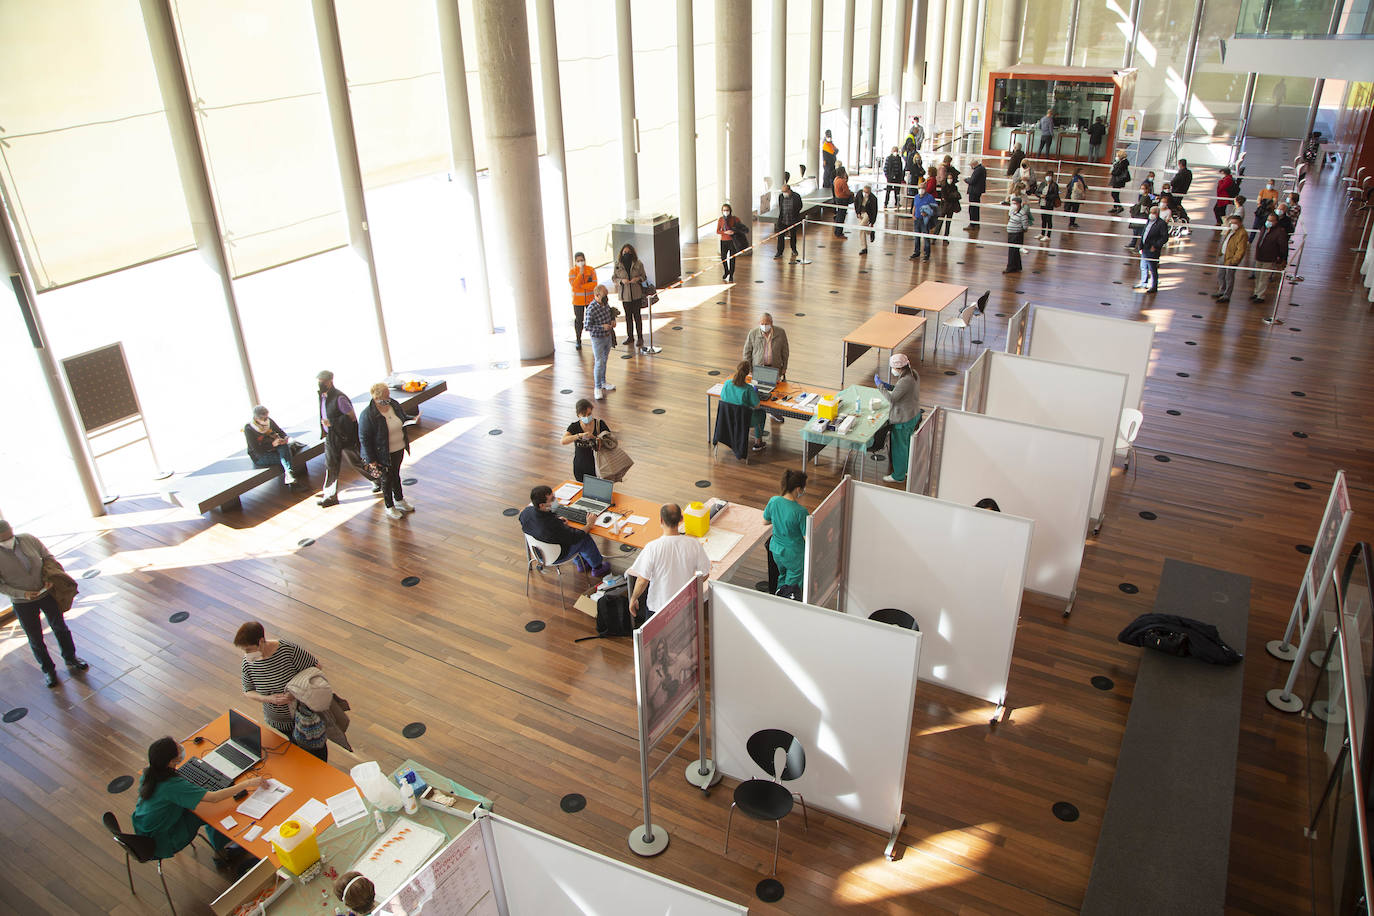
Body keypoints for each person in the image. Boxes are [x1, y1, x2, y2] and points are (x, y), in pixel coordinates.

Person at [132, 737, 264, 866]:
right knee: (213, 811)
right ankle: (220, 852)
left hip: (146, 830)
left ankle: (220, 847)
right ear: (171, 762)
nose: (181, 748)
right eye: (178, 748)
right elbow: (214, 797)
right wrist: (248, 783)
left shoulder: (149, 772)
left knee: (203, 806)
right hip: (164, 839)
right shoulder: (172, 786)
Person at [0, 520, 87, 688]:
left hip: (47, 593)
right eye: (3, 540)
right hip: (23, 602)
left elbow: (48, 557)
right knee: (35, 638)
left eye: (10, 536)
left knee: (60, 627)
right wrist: (23, 594)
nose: (8, 541)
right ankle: (48, 670)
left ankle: (71, 658)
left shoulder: (28, 539)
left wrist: (48, 578)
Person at [235, 621, 321, 740]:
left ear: (260, 642)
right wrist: (268, 699)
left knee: (316, 749)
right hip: (278, 721)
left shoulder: (288, 651)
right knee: (296, 748)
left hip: (306, 717)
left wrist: (294, 694)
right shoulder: (248, 664)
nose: (246, 654)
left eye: (248, 650)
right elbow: (248, 691)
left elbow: (316, 669)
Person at [626, 504, 711, 619]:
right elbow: (705, 574)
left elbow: (642, 580)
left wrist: (633, 598)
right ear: (681, 519)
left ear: (661, 520)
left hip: (658, 607)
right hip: (684, 604)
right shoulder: (694, 544)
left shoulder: (652, 547)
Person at [519, 485, 611, 577]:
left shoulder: (526, 513)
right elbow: (576, 537)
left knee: (572, 533)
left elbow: (537, 522)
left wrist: (558, 520)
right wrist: (589, 525)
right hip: (556, 555)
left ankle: (581, 563)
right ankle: (598, 568)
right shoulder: (552, 525)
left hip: (539, 553)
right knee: (584, 537)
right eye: (552, 499)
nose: (555, 500)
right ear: (542, 505)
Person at [359, 382, 414, 520]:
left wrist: (412, 419)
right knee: (386, 480)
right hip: (382, 453)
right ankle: (390, 506)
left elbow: (402, 416)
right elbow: (364, 438)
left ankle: (400, 500)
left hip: (398, 448)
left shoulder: (393, 405)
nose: (389, 397)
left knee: (396, 475)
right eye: (386, 395)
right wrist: (371, 459)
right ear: (377, 397)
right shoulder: (368, 415)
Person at [316, 370, 370, 508]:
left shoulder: (339, 398)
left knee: (357, 461)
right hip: (331, 437)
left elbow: (351, 416)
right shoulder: (322, 397)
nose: (320, 384)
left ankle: (378, 480)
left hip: (344, 436)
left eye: (322, 381)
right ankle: (330, 495)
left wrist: (332, 422)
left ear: (330, 382)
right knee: (331, 466)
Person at [869, 354, 922, 483]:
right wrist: (889, 387)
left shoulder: (905, 380)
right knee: (907, 446)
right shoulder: (913, 373)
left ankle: (898, 475)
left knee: (899, 448)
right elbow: (902, 391)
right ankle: (907, 469)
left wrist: (880, 386)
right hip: (912, 415)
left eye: (893, 368)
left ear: (898, 368)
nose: (892, 370)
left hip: (903, 420)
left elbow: (892, 399)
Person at [763, 470, 809, 600]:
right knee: (792, 589)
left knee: (782, 578)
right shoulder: (800, 512)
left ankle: (778, 597)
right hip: (794, 557)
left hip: (777, 551)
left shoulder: (774, 501)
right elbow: (807, 538)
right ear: (798, 489)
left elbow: (765, 521)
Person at [243, 405, 298, 487]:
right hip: (260, 456)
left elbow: (280, 432)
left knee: (285, 448)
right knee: (287, 456)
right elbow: (257, 450)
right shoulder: (249, 429)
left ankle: (289, 475)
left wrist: (285, 438)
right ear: (256, 418)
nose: (266, 420)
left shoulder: (269, 421)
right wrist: (272, 444)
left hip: (274, 448)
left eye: (267, 417)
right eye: (264, 419)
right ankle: (289, 475)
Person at [720, 359, 767, 452]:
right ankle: (758, 442)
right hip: (744, 420)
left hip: (729, 418)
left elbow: (723, 397)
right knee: (762, 413)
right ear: (748, 373)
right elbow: (757, 406)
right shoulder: (748, 389)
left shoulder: (727, 383)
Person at [562, 398, 609, 481]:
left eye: (589, 414)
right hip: (580, 466)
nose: (587, 417)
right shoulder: (574, 427)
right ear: (578, 416)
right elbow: (563, 441)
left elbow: (610, 442)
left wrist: (594, 438)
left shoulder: (600, 424)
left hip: (599, 466)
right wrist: (579, 435)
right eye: (584, 415)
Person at [612, 243, 648, 351]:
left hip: (636, 294)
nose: (626, 254)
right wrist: (621, 281)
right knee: (628, 317)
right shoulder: (618, 264)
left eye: (628, 252)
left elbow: (644, 277)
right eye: (624, 252)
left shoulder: (638, 263)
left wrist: (637, 279)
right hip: (625, 295)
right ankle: (630, 337)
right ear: (621, 253)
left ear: (632, 252)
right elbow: (614, 278)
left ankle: (640, 337)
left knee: (637, 316)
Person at [585, 284, 616, 400]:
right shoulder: (591, 308)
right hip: (598, 339)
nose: (606, 298)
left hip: (607, 337)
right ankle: (597, 387)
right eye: (604, 296)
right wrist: (602, 327)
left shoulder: (605, 304)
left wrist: (612, 321)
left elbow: (610, 314)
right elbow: (587, 326)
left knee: (604, 360)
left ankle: (603, 382)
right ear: (597, 295)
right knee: (599, 362)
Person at [1250, 215, 1289, 302]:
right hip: (1259, 256)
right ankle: (1256, 292)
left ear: (1276, 222)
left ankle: (1260, 295)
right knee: (1257, 275)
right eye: (1268, 220)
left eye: (1271, 221)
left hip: (1269, 258)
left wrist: (1282, 258)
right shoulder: (1264, 228)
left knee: (1264, 277)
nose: (1269, 222)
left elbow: (1283, 246)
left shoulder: (1280, 232)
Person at [1213, 214, 1250, 303]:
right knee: (1220, 275)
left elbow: (1241, 250)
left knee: (1229, 277)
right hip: (1224, 256)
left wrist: (1234, 261)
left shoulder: (1242, 233)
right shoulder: (1231, 230)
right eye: (1231, 223)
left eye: (1235, 223)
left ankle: (1227, 295)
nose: (1233, 224)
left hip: (1231, 259)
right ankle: (1221, 290)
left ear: (1240, 223)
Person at [743, 312, 789, 381]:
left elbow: (785, 352)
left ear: (771, 323)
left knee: (775, 390)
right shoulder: (753, 333)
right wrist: (749, 369)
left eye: (766, 324)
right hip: (758, 369)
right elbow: (747, 353)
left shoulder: (781, 333)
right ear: (759, 323)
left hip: (775, 369)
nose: (764, 326)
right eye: (762, 324)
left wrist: (784, 368)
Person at [568, 251, 597, 350]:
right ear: (575, 261)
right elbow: (574, 285)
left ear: (585, 260)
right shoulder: (572, 272)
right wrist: (580, 274)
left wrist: (582, 286)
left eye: (582, 260)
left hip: (590, 300)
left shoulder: (591, 270)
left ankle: (594, 339)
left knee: (592, 320)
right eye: (578, 260)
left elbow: (594, 284)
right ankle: (578, 340)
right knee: (579, 321)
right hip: (578, 301)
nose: (580, 262)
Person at [1135, 205, 1167, 293]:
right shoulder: (1149, 221)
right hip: (1145, 248)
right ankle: (1143, 283)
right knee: (1143, 266)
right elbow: (1144, 233)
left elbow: (1164, 238)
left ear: (1157, 214)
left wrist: (1155, 246)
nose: (1151, 214)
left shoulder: (1161, 224)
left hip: (1153, 250)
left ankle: (1154, 286)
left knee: (1152, 268)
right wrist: (1140, 245)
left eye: (1154, 213)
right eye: (1151, 212)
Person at [909, 183, 938, 260]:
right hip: (917, 219)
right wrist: (913, 214)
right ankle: (916, 252)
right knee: (916, 237)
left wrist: (927, 213)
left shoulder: (930, 197)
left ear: (925, 188)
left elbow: (934, 208)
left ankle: (927, 254)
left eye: (922, 188)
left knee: (926, 237)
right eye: (919, 188)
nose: (921, 189)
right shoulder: (916, 197)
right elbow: (914, 206)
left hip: (925, 220)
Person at [774, 183, 803, 260]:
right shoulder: (781, 197)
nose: (784, 193)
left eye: (785, 191)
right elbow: (781, 208)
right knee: (780, 236)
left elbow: (800, 206)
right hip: (783, 220)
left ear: (789, 190)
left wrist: (794, 213)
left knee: (793, 235)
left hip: (793, 219)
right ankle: (779, 252)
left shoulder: (796, 197)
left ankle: (794, 249)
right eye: (782, 191)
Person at [717, 203, 743, 281]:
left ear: (730, 211)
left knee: (732, 258)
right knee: (723, 257)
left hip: (732, 241)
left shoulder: (735, 219)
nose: (725, 211)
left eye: (727, 210)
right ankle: (726, 271)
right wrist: (725, 232)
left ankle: (731, 274)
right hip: (723, 241)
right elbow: (718, 231)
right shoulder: (721, 219)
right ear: (722, 211)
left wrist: (734, 232)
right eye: (724, 210)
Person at [1004, 196, 1030, 273]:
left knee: (1012, 251)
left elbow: (1025, 225)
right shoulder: (1013, 211)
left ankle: (1010, 267)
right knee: (1014, 251)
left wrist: (1021, 230)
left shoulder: (1022, 213)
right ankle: (1017, 266)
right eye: (1012, 203)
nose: (1013, 205)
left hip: (1016, 234)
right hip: (1011, 233)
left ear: (1019, 204)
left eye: (1015, 203)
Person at [853, 184, 878, 254]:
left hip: (868, 214)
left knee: (861, 228)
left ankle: (864, 247)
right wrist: (857, 213)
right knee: (863, 229)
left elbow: (874, 211)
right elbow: (856, 203)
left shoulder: (873, 199)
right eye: (864, 191)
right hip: (861, 213)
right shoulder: (859, 193)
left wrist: (872, 222)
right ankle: (870, 233)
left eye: (867, 192)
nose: (865, 193)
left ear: (870, 192)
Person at [1035, 171, 1060, 242]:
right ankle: (1042, 234)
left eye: (1050, 176)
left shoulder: (1054, 185)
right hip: (1042, 204)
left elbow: (1055, 195)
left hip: (1049, 205)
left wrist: (1046, 197)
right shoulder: (1042, 184)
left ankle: (1048, 235)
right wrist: (1040, 196)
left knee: (1049, 219)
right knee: (1043, 219)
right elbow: (1037, 192)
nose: (1048, 177)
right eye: (1047, 175)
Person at [1169, 158, 1193, 229]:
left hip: (1177, 192)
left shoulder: (1180, 173)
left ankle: (1184, 217)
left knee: (1176, 205)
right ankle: (1184, 217)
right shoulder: (1189, 173)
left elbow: (1173, 182)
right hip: (1183, 191)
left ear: (1180, 164)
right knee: (1178, 204)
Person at [937, 175, 962, 242]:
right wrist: (952, 196)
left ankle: (945, 238)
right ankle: (934, 237)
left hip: (950, 207)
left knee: (948, 223)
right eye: (948, 178)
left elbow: (956, 196)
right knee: (939, 223)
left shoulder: (955, 187)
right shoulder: (944, 187)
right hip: (944, 207)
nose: (950, 180)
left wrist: (950, 197)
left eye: (951, 178)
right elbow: (945, 197)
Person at [830, 167, 853, 237]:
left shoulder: (836, 179)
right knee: (841, 217)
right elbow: (847, 192)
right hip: (843, 200)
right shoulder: (842, 181)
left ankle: (837, 231)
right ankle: (839, 233)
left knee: (839, 215)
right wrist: (852, 193)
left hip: (838, 199)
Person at [963, 159, 986, 228]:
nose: (971, 167)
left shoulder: (977, 170)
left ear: (973, 165)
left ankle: (972, 224)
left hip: (974, 192)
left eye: (971, 165)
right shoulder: (982, 169)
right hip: (978, 191)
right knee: (976, 208)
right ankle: (976, 223)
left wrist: (966, 180)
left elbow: (972, 181)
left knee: (972, 208)